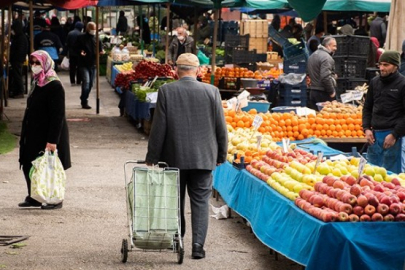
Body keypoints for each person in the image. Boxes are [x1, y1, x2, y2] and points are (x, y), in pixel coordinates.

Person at [145, 53, 228, 259]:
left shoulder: (166, 91)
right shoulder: (212, 91)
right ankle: (198, 246)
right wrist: (221, 154)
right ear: (199, 71)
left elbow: (159, 128)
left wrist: (152, 155)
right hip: (203, 157)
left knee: (175, 199)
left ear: (176, 71)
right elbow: (221, 127)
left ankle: (177, 239)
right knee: (200, 202)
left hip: (174, 156)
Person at [18, 50, 71, 209]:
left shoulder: (54, 84)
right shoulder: (37, 82)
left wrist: (53, 140)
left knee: (49, 166)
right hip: (33, 131)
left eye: (37, 63)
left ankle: (54, 199)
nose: (34, 66)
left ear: (46, 64)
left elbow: (57, 116)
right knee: (30, 164)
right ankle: (35, 196)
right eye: (32, 63)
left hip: (48, 133)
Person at [362, 51, 405, 173]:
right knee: (371, 174)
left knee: (392, 177)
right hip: (374, 136)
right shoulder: (375, 82)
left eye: (386, 65)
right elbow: (367, 107)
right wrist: (366, 128)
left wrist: (394, 134)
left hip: (394, 137)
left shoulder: (402, 84)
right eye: (380, 64)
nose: (381, 68)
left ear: (395, 66)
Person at [76, 22, 104, 109]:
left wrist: (101, 52)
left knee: (91, 84)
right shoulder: (81, 37)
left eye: (95, 29)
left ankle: (84, 97)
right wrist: (80, 51)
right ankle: (84, 101)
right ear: (87, 29)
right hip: (83, 64)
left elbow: (100, 49)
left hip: (93, 64)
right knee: (86, 82)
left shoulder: (97, 38)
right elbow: (75, 48)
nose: (93, 30)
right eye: (92, 29)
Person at [307, 37, 338, 110]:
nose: (335, 48)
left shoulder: (312, 55)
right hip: (323, 93)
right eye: (334, 46)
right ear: (327, 46)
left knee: (316, 118)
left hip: (313, 92)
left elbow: (310, 73)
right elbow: (325, 77)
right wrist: (331, 92)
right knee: (326, 118)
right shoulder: (327, 58)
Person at [9, 20, 28, 98]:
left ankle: (20, 92)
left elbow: (20, 50)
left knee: (17, 75)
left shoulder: (21, 38)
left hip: (17, 60)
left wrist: (15, 57)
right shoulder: (19, 37)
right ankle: (16, 91)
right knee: (16, 75)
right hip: (17, 59)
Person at [66, 21, 84, 86]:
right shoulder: (81, 34)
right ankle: (79, 81)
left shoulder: (70, 33)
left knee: (72, 68)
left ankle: (72, 81)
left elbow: (67, 44)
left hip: (72, 53)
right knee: (79, 67)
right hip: (79, 54)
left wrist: (67, 53)